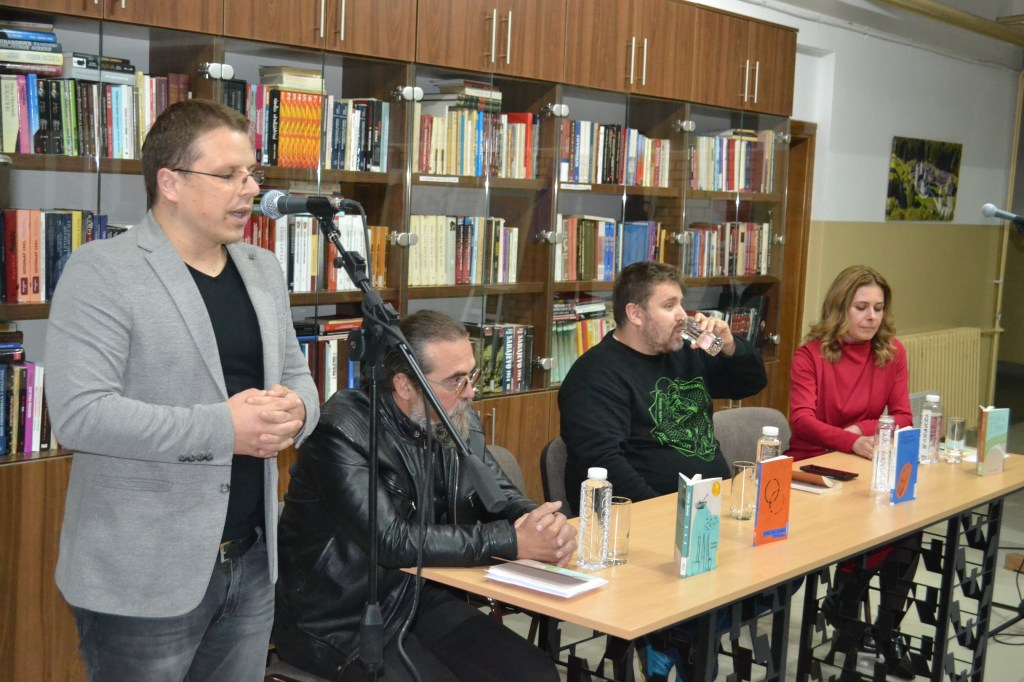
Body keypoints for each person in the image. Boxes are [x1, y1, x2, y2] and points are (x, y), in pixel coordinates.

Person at [44, 99, 320, 681]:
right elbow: (81, 415)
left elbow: (297, 377)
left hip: (252, 561)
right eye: (229, 175)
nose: (250, 190)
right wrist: (225, 428)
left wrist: (297, 410)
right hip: (142, 575)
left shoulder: (261, 268)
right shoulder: (102, 270)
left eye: (252, 174)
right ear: (169, 182)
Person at [274, 310, 575, 681]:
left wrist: (542, 524)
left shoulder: (457, 417)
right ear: (404, 385)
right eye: (455, 380)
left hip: (418, 596)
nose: (470, 392)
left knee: (535, 673)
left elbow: (497, 496)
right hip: (338, 616)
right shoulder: (343, 429)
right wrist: (513, 541)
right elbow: (391, 540)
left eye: (471, 375)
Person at [558, 261, 769, 680]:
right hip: (651, 526)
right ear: (635, 313)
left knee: (783, 571)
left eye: (682, 304)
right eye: (669, 305)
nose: (683, 316)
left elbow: (750, 382)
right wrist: (670, 517)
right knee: (732, 585)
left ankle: (677, 636)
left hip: (710, 511)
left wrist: (729, 345)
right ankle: (682, 635)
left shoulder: (687, 351)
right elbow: (603, 464)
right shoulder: (595, 375)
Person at [786, 264, 917, 679]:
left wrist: (860, 431)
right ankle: (846, 608)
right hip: (811, 466)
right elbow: (802, 420)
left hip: (861, 461)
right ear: (839, 308)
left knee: (908, 527)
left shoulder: (892, 352)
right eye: (861, 307)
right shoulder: (809, 355)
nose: (871, 317)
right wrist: (851, 441)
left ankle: (882, 628)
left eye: (878, 308)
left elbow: (903, 415)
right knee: (866, 522)